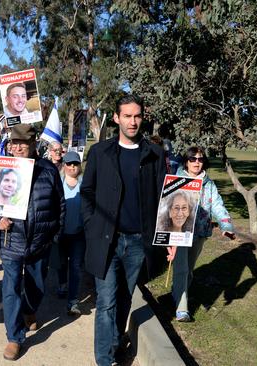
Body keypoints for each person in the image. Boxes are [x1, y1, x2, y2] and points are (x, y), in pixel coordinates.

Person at [81, 95, 167, 366]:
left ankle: (117, 341)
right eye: (127, 116)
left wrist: (170, 237)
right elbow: (87, 192)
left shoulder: (155, 154)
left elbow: (164, 198)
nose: (133, 121)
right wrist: (91, 224)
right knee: (106, 301)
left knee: (124, 297)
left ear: (143, 117)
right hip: (106, 241)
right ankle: (104, 360)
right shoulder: (100, 152)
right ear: (116, 118)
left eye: (137, 116)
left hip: (138, 243)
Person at [0, 124, 65, 361]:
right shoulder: (3, 169)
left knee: (36, 286)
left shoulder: (48, 170)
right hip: (11, 241)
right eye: (15, 143)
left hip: (40, 242)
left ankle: (30, 310)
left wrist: (54, 234)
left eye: (24, 143)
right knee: (10, 289)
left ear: (34, 144)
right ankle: (14, 337)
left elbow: (60, 205)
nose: (19, 147)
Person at [167, 146, 234, 322]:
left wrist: (225, 224)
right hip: (180, 231)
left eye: (200, 159)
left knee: (188, 270)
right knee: (181, 268)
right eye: (192, 159)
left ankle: (177, 292)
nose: (197, 162)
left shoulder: (208, 183)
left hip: (200, 232)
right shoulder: (177, 180)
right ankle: (182, 308)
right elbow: (166, 206)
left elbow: (217, 205)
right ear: (186, 161)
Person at [56, 151, 86, 316]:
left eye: (75, 164)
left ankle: (73, 302)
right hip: (61, 233)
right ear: (64, 165)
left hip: (79, 235)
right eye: (69, 164)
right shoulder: (58, 183)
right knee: (61, 264)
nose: (72, 167)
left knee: (75, 267)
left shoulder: (85, 184)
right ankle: (62, 284)